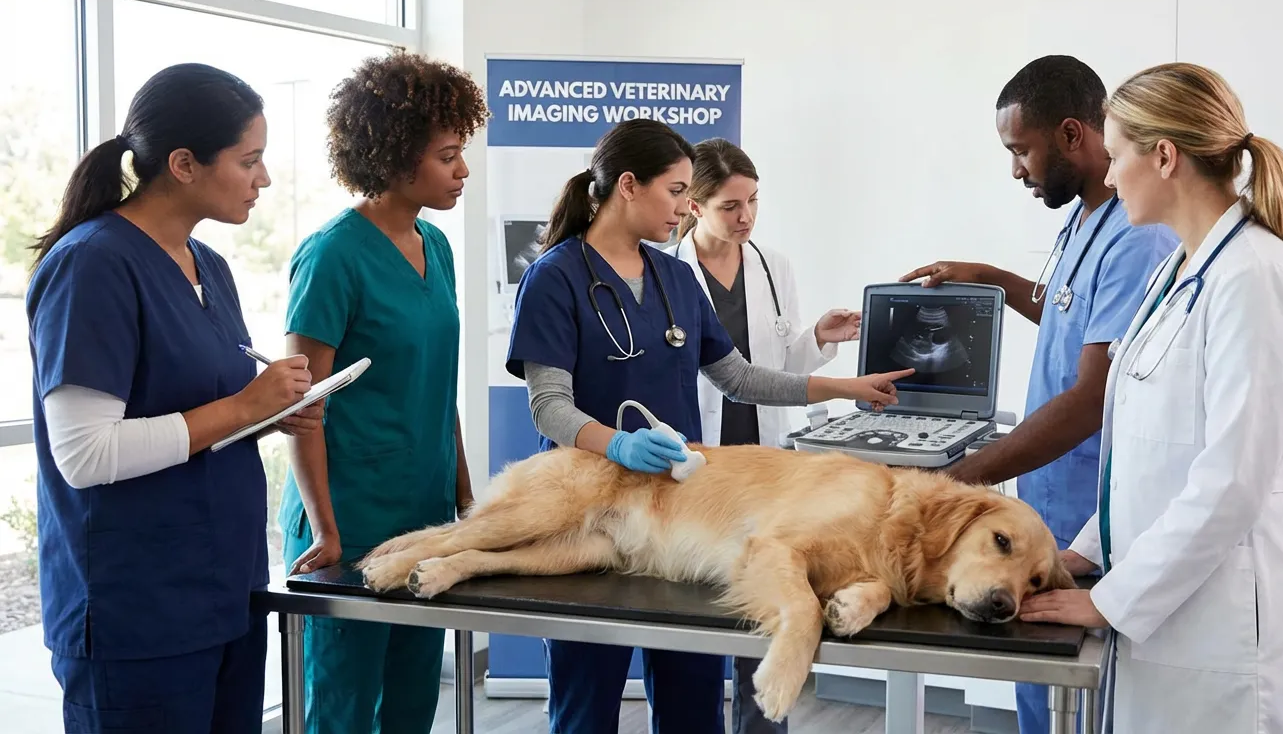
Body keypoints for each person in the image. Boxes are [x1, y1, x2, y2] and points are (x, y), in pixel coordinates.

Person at [506, 118, 913, 734]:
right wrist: (615, 444)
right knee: (585, 707)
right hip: (590, 511)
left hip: (683, 519)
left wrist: (840, 386)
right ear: (628, 187)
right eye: (675, 192)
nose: (684, 207)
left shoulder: (675, 279)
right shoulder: (556, 276)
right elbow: (549, 407)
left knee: (694, 705)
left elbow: (740, 378)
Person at [1019, 62, 1283, 734]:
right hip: (1172, 614)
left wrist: (1111, 601)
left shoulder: (1255, 276)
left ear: (1164, 157)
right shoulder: (1179, 270)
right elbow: (1139, 450)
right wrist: (1087, 551)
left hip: (1227, 626)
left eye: (1118, 153)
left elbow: (1232, 481)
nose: (1106, 175)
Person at [27, 63, 322, 732]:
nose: (265, 179)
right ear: (184, 163)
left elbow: (201, 412)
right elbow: (85, 454)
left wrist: (270, 415)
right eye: (250, 160)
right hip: (139, 613)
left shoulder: (206, 265)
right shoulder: (93, 264)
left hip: (225, 594)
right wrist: (246, 407)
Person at [897, 55, 1177, 732]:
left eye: (1021, 150)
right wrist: (987, 276)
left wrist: (966, 477)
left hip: (1089, 511)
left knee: (1075, 698)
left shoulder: (1135, 237)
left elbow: (1091, 397)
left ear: (1074, 134)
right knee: (1036, 688)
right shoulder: (1082, 219)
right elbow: (1062, 307)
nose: (1016, 169)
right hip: (1044, 501)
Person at [276, 50, 489, 734]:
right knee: (344, 705)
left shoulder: (438, 247)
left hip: (421, 512)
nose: (463, 170)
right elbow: (300, 406)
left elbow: (436, 384)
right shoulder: (333, 254)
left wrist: (463, 499)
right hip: (349, 517)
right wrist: (328, 528)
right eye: (448, 155)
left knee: (411, 698)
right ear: (396, 158)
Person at [671, 137, 858, 734]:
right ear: (694, 206)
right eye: (730, 205)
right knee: (698, 611)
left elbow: (779, 363)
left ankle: (761, 726)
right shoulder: (665, 272)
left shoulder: (773, 265)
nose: (746, 216)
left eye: (753, 201)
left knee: (766, 603)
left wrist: (819, 340)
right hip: (699, 459)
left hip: (766, 458)